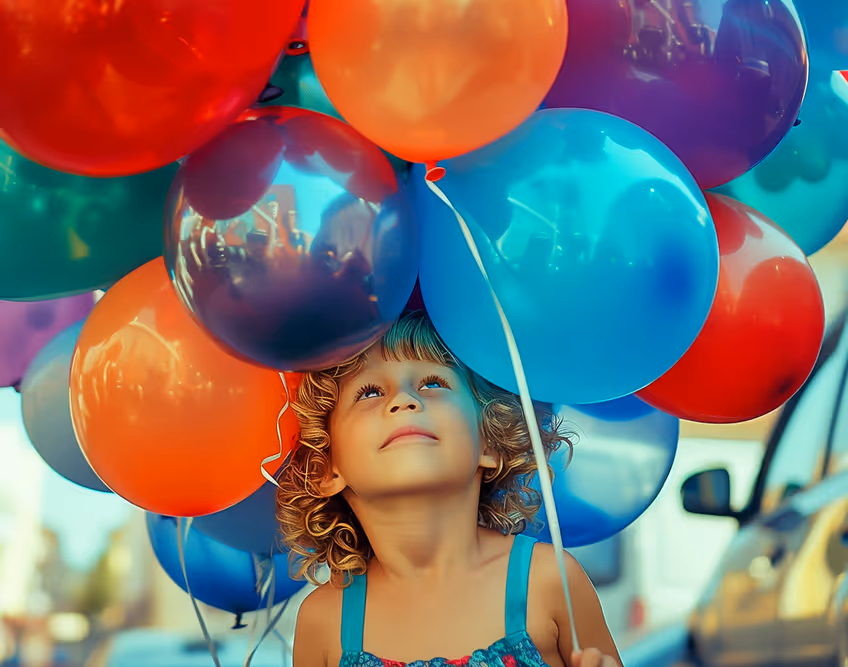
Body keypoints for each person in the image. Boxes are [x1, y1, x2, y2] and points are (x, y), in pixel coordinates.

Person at [276, 311, 621, 667]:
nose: (404, 400)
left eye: (432, 383)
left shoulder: (549, 579)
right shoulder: (324, 620)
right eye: (370, 391)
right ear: (326, 468)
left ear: (488, 441)